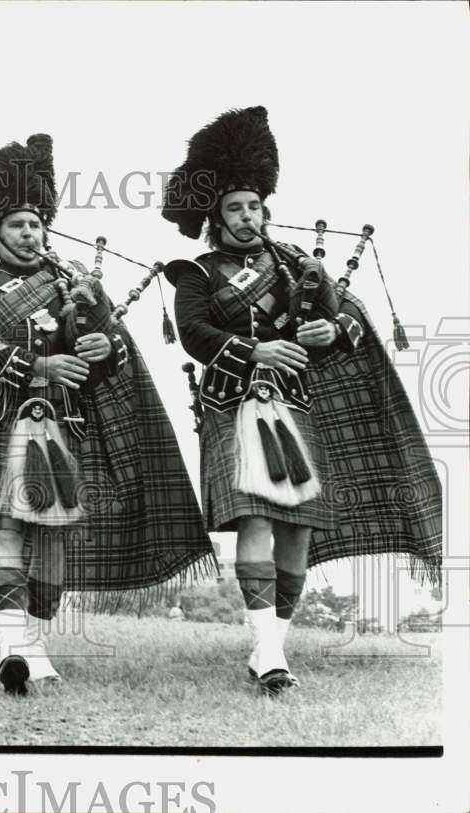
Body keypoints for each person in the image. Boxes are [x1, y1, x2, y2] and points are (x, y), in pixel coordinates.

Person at [161, 105, 442, 695]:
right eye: (234, 208)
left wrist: (331, 331)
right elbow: (194, 335)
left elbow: (354, 321)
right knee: (256, 518)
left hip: (295, 409)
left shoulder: (295, 265)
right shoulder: (198, 272)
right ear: (216, 215)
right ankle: (268, 656)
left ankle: (271, 646)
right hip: (232, 407)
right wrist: (254, 352)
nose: (246, 217)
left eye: (254, 207)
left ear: (266, 210)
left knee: (298, 535)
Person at [0, 133, 214, 694]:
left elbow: (117, 350)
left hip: (63, 423)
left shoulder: (74, 282)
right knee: (6, 533)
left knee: (53, 540)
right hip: (0, 420)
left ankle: (35, 649)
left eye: (36, 223)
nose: (29, 233)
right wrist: (41, 367)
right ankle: (15, 649)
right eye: (17, 224)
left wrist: (103, 347)